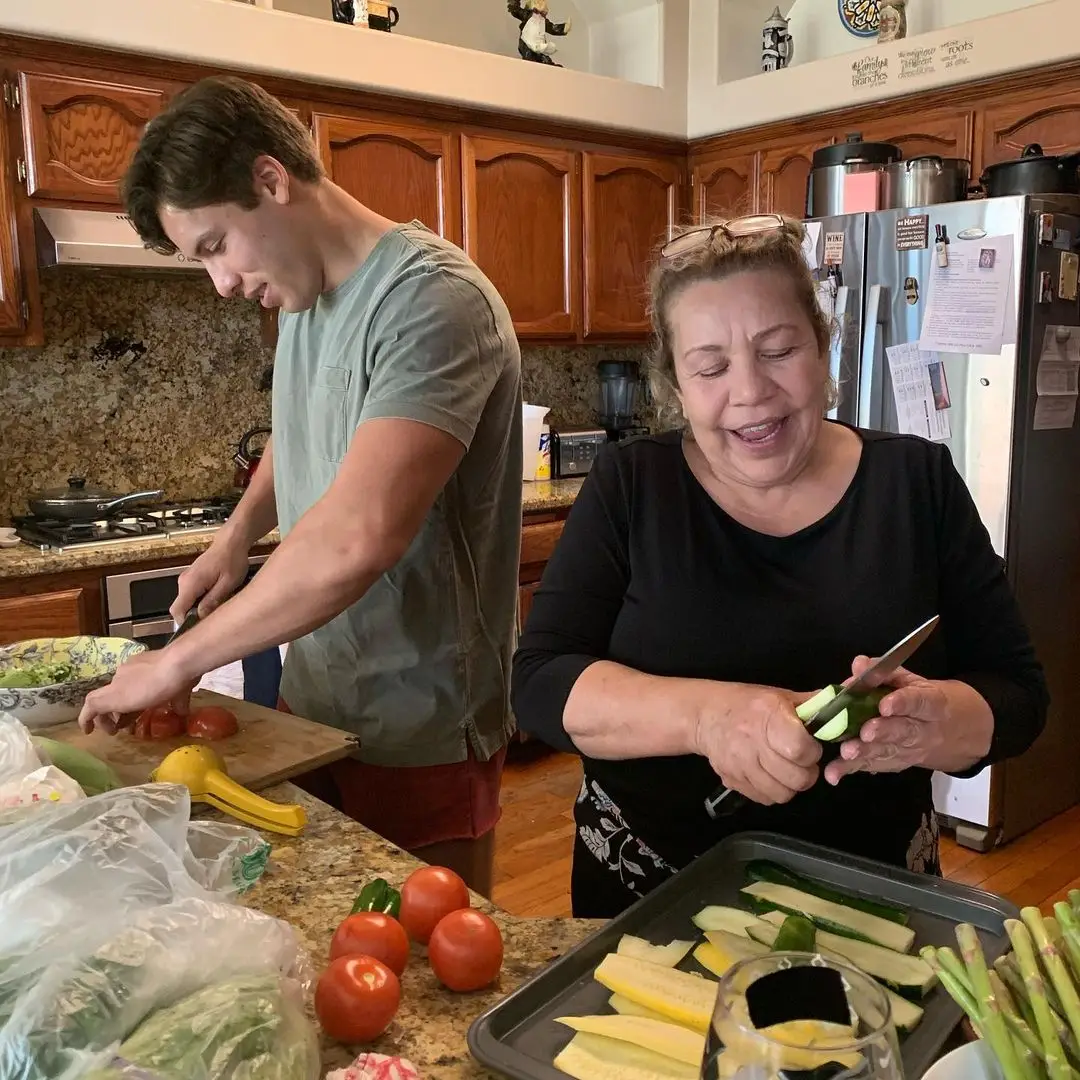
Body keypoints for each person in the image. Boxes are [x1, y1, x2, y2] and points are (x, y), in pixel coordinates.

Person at [510, 213, 1049, 919]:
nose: (750, 391)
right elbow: (542, 681)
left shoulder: (915, 482)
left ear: (822, 347)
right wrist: (709, 719)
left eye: (778, 349)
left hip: (873, 902)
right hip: (649, 896)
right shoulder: (631, 486)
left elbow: (1017, 697)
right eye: (711, 366)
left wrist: (938, 721)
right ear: (676, 383)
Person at [77, 75, 524, 895]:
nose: (219, 284)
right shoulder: (302, 302)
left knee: (432, 972)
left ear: (270, 179)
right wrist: (237, 535)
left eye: (214, 247)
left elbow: (358, 537)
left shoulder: (432, 303)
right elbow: (304, 422)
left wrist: (175, 663)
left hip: (420, 714)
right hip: (319, 704)